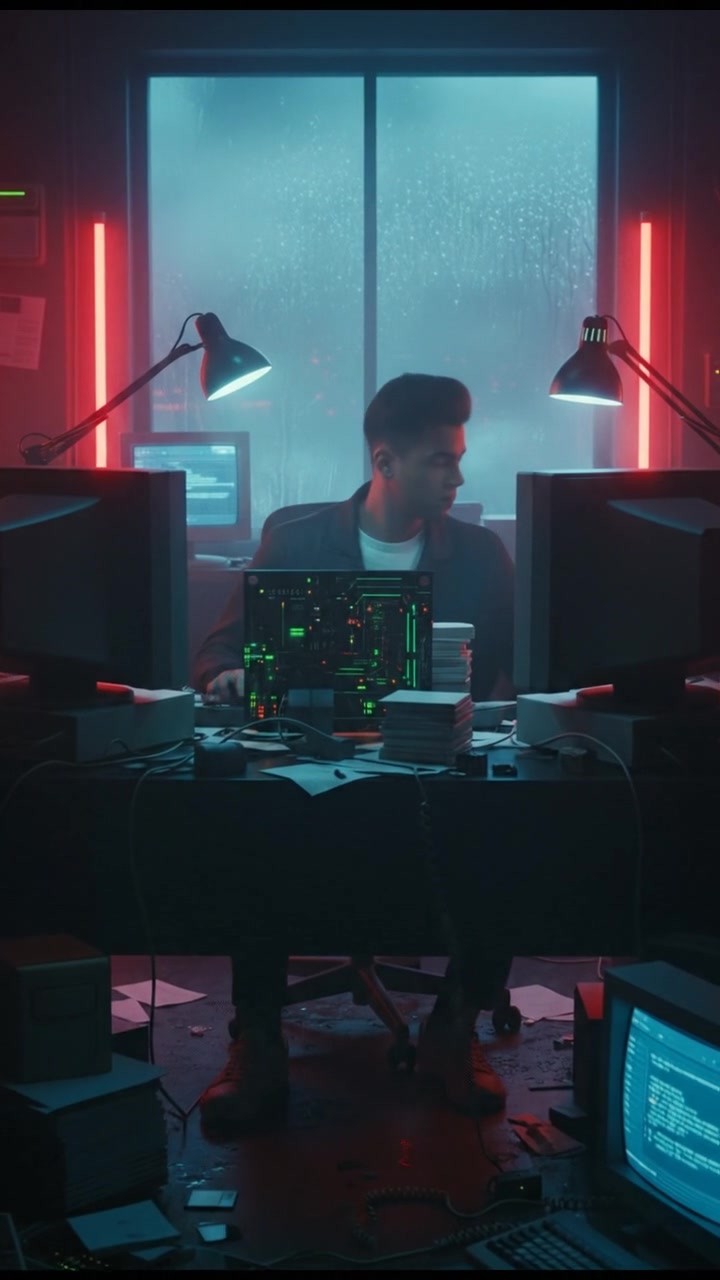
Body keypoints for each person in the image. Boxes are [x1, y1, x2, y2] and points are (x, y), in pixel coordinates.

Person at [193, 372, 515, 1129]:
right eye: (441, 460)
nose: (458, 476)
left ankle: (454, 1027)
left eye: (459, 458)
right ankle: (259, 1039)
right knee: (251, 824)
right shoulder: (297, 538)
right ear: (384, 460)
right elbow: (215, 651)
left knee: (513, 821)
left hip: (434, 772)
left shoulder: (479, 556)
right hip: (315, 765)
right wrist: (229, 675)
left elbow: (506, 675)